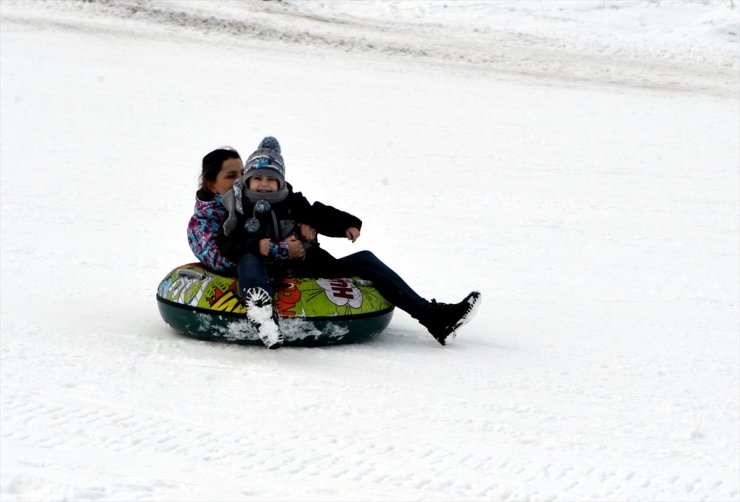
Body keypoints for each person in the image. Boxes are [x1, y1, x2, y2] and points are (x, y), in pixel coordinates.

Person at [216, 136, 481, 349]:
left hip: (303, 266)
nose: (264, 184)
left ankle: (434, 317)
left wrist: (347, 224)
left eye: (271, 179)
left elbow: (320, 213)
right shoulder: (239, 206)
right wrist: (257, 247)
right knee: (249, 261)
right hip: (263, 271)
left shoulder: (292, 202)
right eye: (258, 178)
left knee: (364, 259)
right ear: (248, 180)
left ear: (281, 182)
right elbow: (226, 243)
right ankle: (263, 316)